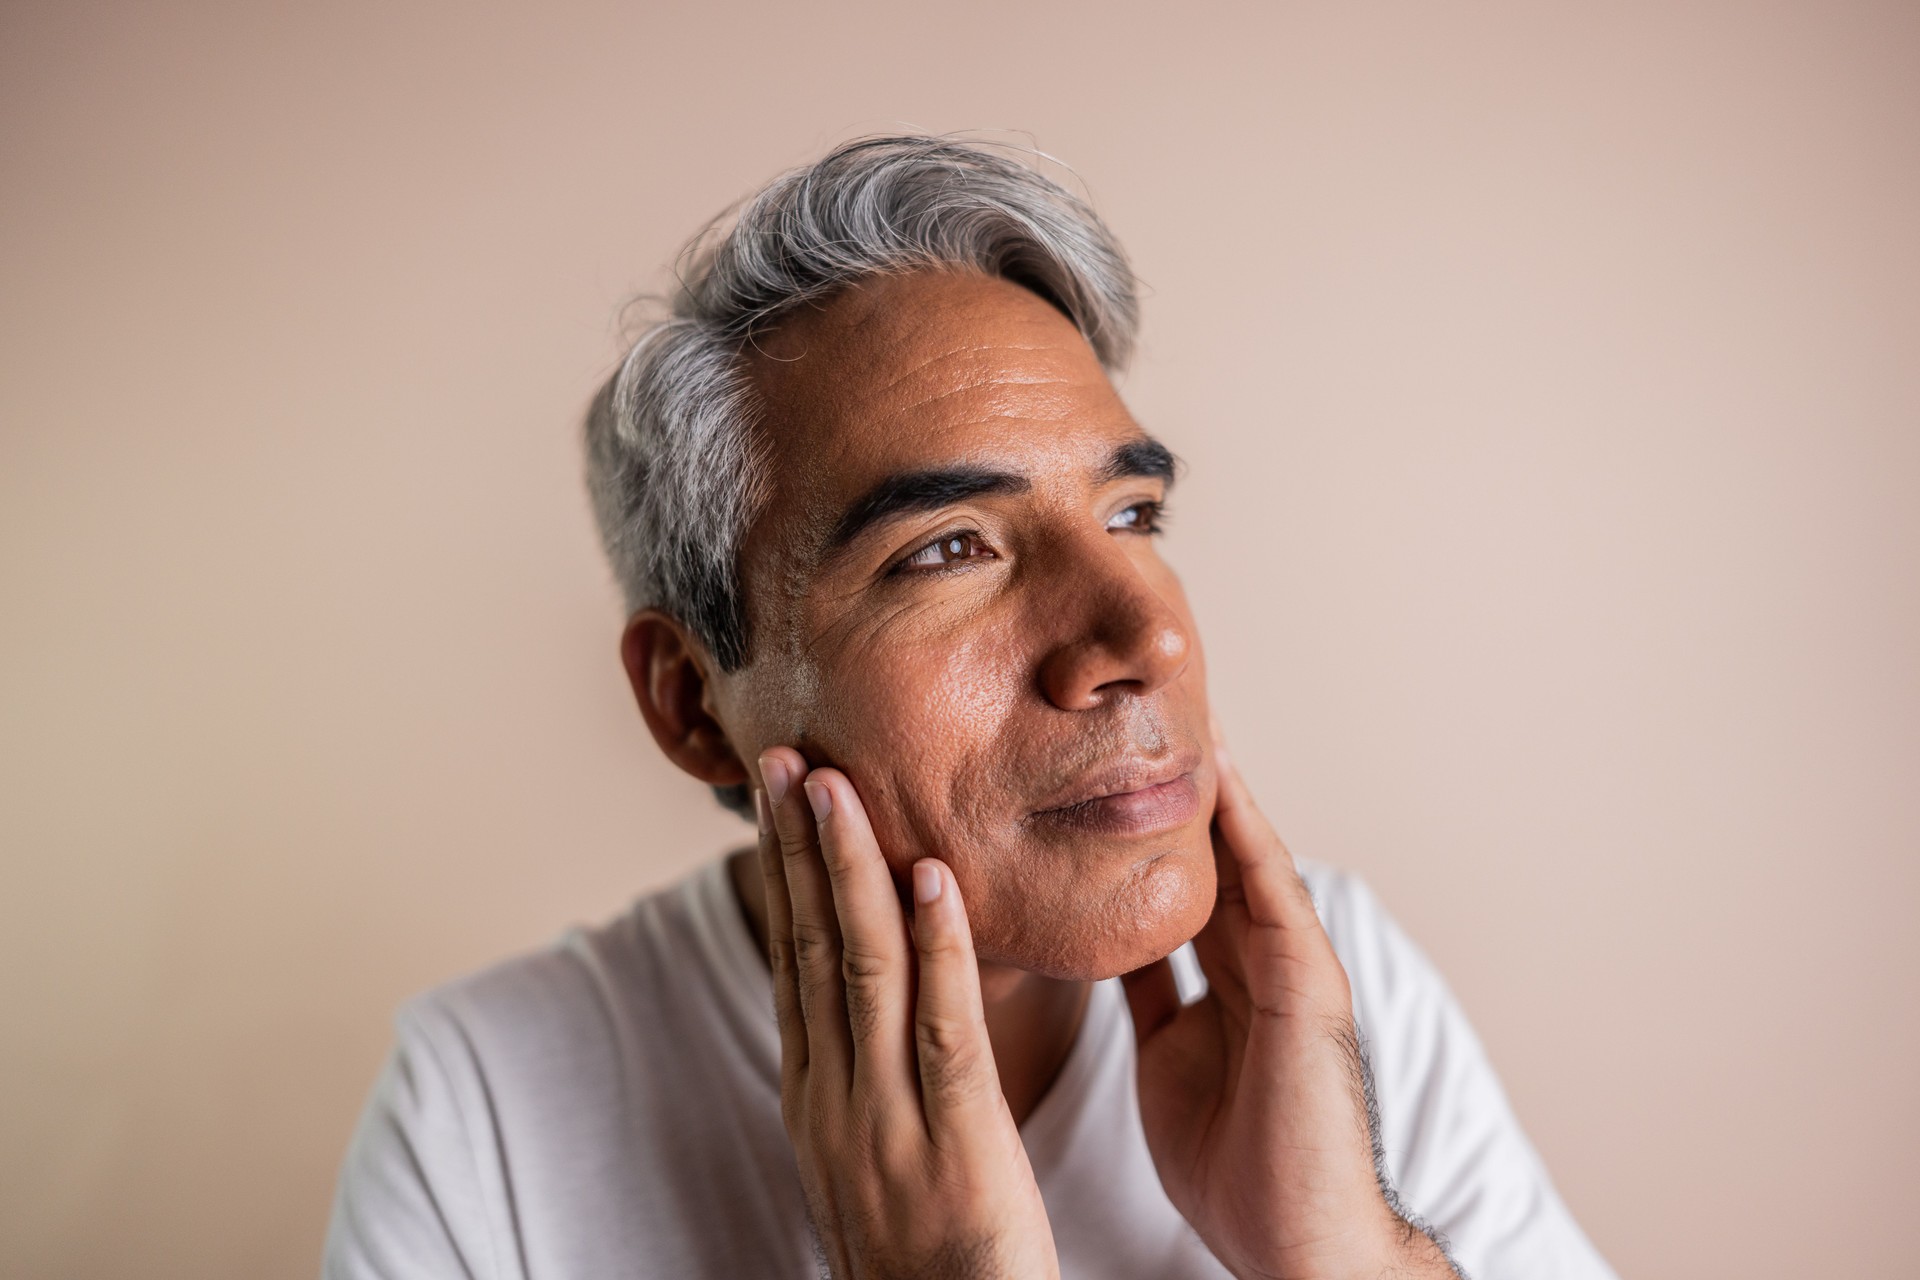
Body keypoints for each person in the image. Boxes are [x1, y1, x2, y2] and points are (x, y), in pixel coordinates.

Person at [323, 135, 1616, 1279]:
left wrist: (1348, 1260)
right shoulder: (485, 1102)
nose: (1146, 632)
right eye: (950, 548)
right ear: (693, 702)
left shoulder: (1327, 989)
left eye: (1134, 515)